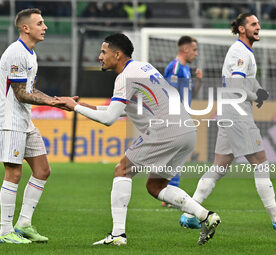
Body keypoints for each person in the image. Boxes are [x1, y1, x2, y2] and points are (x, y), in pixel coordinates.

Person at [57, 33, 221, 246]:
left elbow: (109, 119)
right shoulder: (143, 67)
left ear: (117, 54)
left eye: (103, 52)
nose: (99, 57)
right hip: (187, 130)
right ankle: (205, 216)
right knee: (156, 185)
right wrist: (77, 106)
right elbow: (119, 110)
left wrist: (75, 107)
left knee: (122, 170)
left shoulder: (124, 77)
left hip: (165, 130)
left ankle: (118, 235)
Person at [179, 13, 276, 230]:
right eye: (253, 24)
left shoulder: (243, 51)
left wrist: (259, 90)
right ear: (242, 29)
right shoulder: (241, 52)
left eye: (258, 23)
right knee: (261, 164)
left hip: (228, 114)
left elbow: (247, 81)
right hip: (238, 116)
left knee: (219, 167)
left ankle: (189, 213)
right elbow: (237, 86)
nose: (258, 27)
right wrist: (255, 96)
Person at [0, 8, 75, 244]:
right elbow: (20, 94)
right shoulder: (16, 53)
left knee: (42, 170)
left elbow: (29, 90)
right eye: (40, 23)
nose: (45, 27)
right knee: (14, 173)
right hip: (10, 122)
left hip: (24, 121)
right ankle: (5, 231)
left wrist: (56, 101)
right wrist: (52, 102)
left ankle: (24, 223)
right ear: (25, 28)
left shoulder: (30, 54)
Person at [161, 36, 203, 204]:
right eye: (194, 49)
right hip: (174, 118)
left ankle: (168, 196)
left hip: (182, 117)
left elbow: (191, 94)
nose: (196, 53)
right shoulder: (176, 67)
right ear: (185, 49)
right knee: (174, 156)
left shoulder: (185, 69)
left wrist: (199, 80)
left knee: (177, 156)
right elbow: (168, 94)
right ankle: (166, 194)